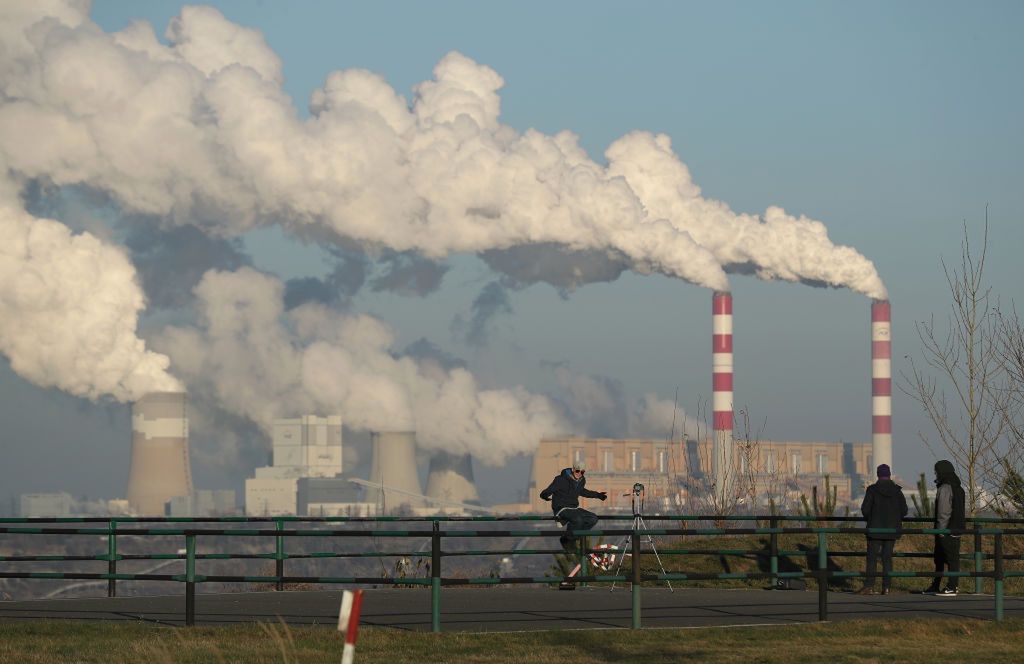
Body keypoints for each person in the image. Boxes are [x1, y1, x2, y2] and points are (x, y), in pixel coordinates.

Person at [858, 463, 908, 595]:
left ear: (878, 475)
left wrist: (871, 518)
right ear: (889, 475)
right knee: (887, 558)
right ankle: (886, 587)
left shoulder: (872, 490)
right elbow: (904, 510)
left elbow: (865, 510)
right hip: (892, 530)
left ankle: (869, 585)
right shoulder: (897, 491)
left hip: (875, 530)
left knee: (872, 558)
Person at [539, 460, 607, 551]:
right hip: (561, 508)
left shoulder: (581, 480)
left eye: (582, 472)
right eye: (577, 471)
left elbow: (583, 491)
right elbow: (550, 489)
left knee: (593, 518)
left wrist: (598, 495)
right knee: (577, 519)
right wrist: (544, 495)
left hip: (574, 508)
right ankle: (567, 540)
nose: (579, 474)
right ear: (573, 469)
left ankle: (576, 537)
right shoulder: (560, 480)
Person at [924, 459, 967, 596]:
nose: (936, 475)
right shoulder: (959, 488)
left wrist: (941, 531)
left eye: (936, 472)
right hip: (957, 528)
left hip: (946, 530)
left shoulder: (945, 488)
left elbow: (943, 512)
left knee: (945, 559)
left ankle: (951, 587)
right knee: (947, 558)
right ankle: (940, 585)